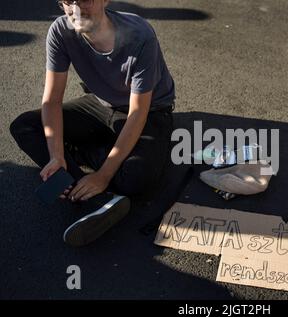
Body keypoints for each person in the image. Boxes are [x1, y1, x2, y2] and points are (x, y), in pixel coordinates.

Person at [9, 0, 175, 246]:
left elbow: (138, 112)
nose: (75, 10)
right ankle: (95, 199)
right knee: (24, 126)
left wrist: (103, 175)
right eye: (68, 2)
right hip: (100, 104)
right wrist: (55, 155)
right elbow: (52, 100)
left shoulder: (140, 34)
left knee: (138, 179)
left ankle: (94, 167)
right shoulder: (60, 30)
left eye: (85, 0)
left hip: (150, 111)